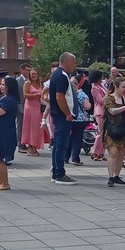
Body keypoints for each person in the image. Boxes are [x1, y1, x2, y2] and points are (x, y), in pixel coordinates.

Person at [49, 52, 77, 184]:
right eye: (73, 62)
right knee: (61, 144)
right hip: (62, 116)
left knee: (58, 144)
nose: (74, 65)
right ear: (66, 61)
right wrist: (67, 114)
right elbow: (59, 97)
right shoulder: (61, 76)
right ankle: (59, 173)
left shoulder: (58, 75)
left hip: (58, 115)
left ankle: (56, 171)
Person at [103, 77, 125, 186]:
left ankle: (116, 175)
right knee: (113, 153)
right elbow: (112, 111)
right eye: (123, 87)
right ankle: (110, 177)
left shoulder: (124, 98)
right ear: (116, 86)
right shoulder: (109, 98)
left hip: (122, 128)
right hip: (111, 128)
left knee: (121, 153)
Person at [66, 73, 91, 167]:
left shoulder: (67, 94)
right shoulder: (81, 94)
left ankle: (65, 157)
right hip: (80, 120)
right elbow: (87, 106)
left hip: (69, 118)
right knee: (77, 138)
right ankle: (75, 158)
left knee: (69, 138)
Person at [22, 68, 46, 156]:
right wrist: (37, 95)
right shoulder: (27, 83)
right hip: (30, 107)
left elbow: (44, 94)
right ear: (29, 75)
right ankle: (29, 146)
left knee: (36, 127)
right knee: (30, 126)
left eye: (35, 74)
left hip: (38, 107)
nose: (34, 75)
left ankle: (34, 145)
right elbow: (25, 95)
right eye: (32, 74)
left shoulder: (40, 84)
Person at [89, 69, 107, 160]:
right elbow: (100, 101)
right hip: (100, 112)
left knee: (105, 133)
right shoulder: (94, 88)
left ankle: (101, 152)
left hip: (105, 112)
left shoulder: (101, 86)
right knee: (100, 132)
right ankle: (94, 151)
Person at [15, 63, 28, 152]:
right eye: (27, 70)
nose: (28, 72)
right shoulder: (17, 81)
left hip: (29, 106)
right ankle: (20, 144)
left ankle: (26, 142)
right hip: (20, 105)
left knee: (27, 126)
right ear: (22, 70)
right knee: (20, 125)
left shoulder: (30, 80)